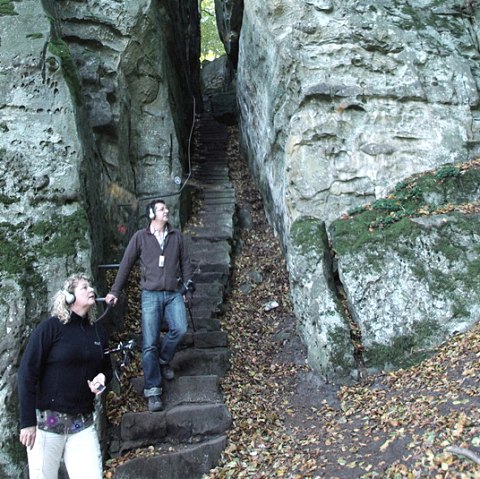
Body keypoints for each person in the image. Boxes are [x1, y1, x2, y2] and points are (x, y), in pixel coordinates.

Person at [18, 274, 113, 479]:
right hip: (47, 424)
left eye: (91, 286)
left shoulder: (98, 332)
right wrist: (27, 422)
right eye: (84, 287)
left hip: (82, 424)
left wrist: (102, 380)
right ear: (69, 297)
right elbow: (27, 372)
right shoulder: (51, 328)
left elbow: (107, 370)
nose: (91, 290)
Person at [105, 199, 193, 412]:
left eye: (166, 208)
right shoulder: (140, 237)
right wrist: (115, 291)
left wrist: (188, 289)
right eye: (162, 209)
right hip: (150, 295)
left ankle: (163, 359)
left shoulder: (176, 236)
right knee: (150, 342)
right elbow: (126, 264)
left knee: (180, 329)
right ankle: (153, 391)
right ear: (152, 214)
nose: (167, 211)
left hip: (173, 293)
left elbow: (186, 263)